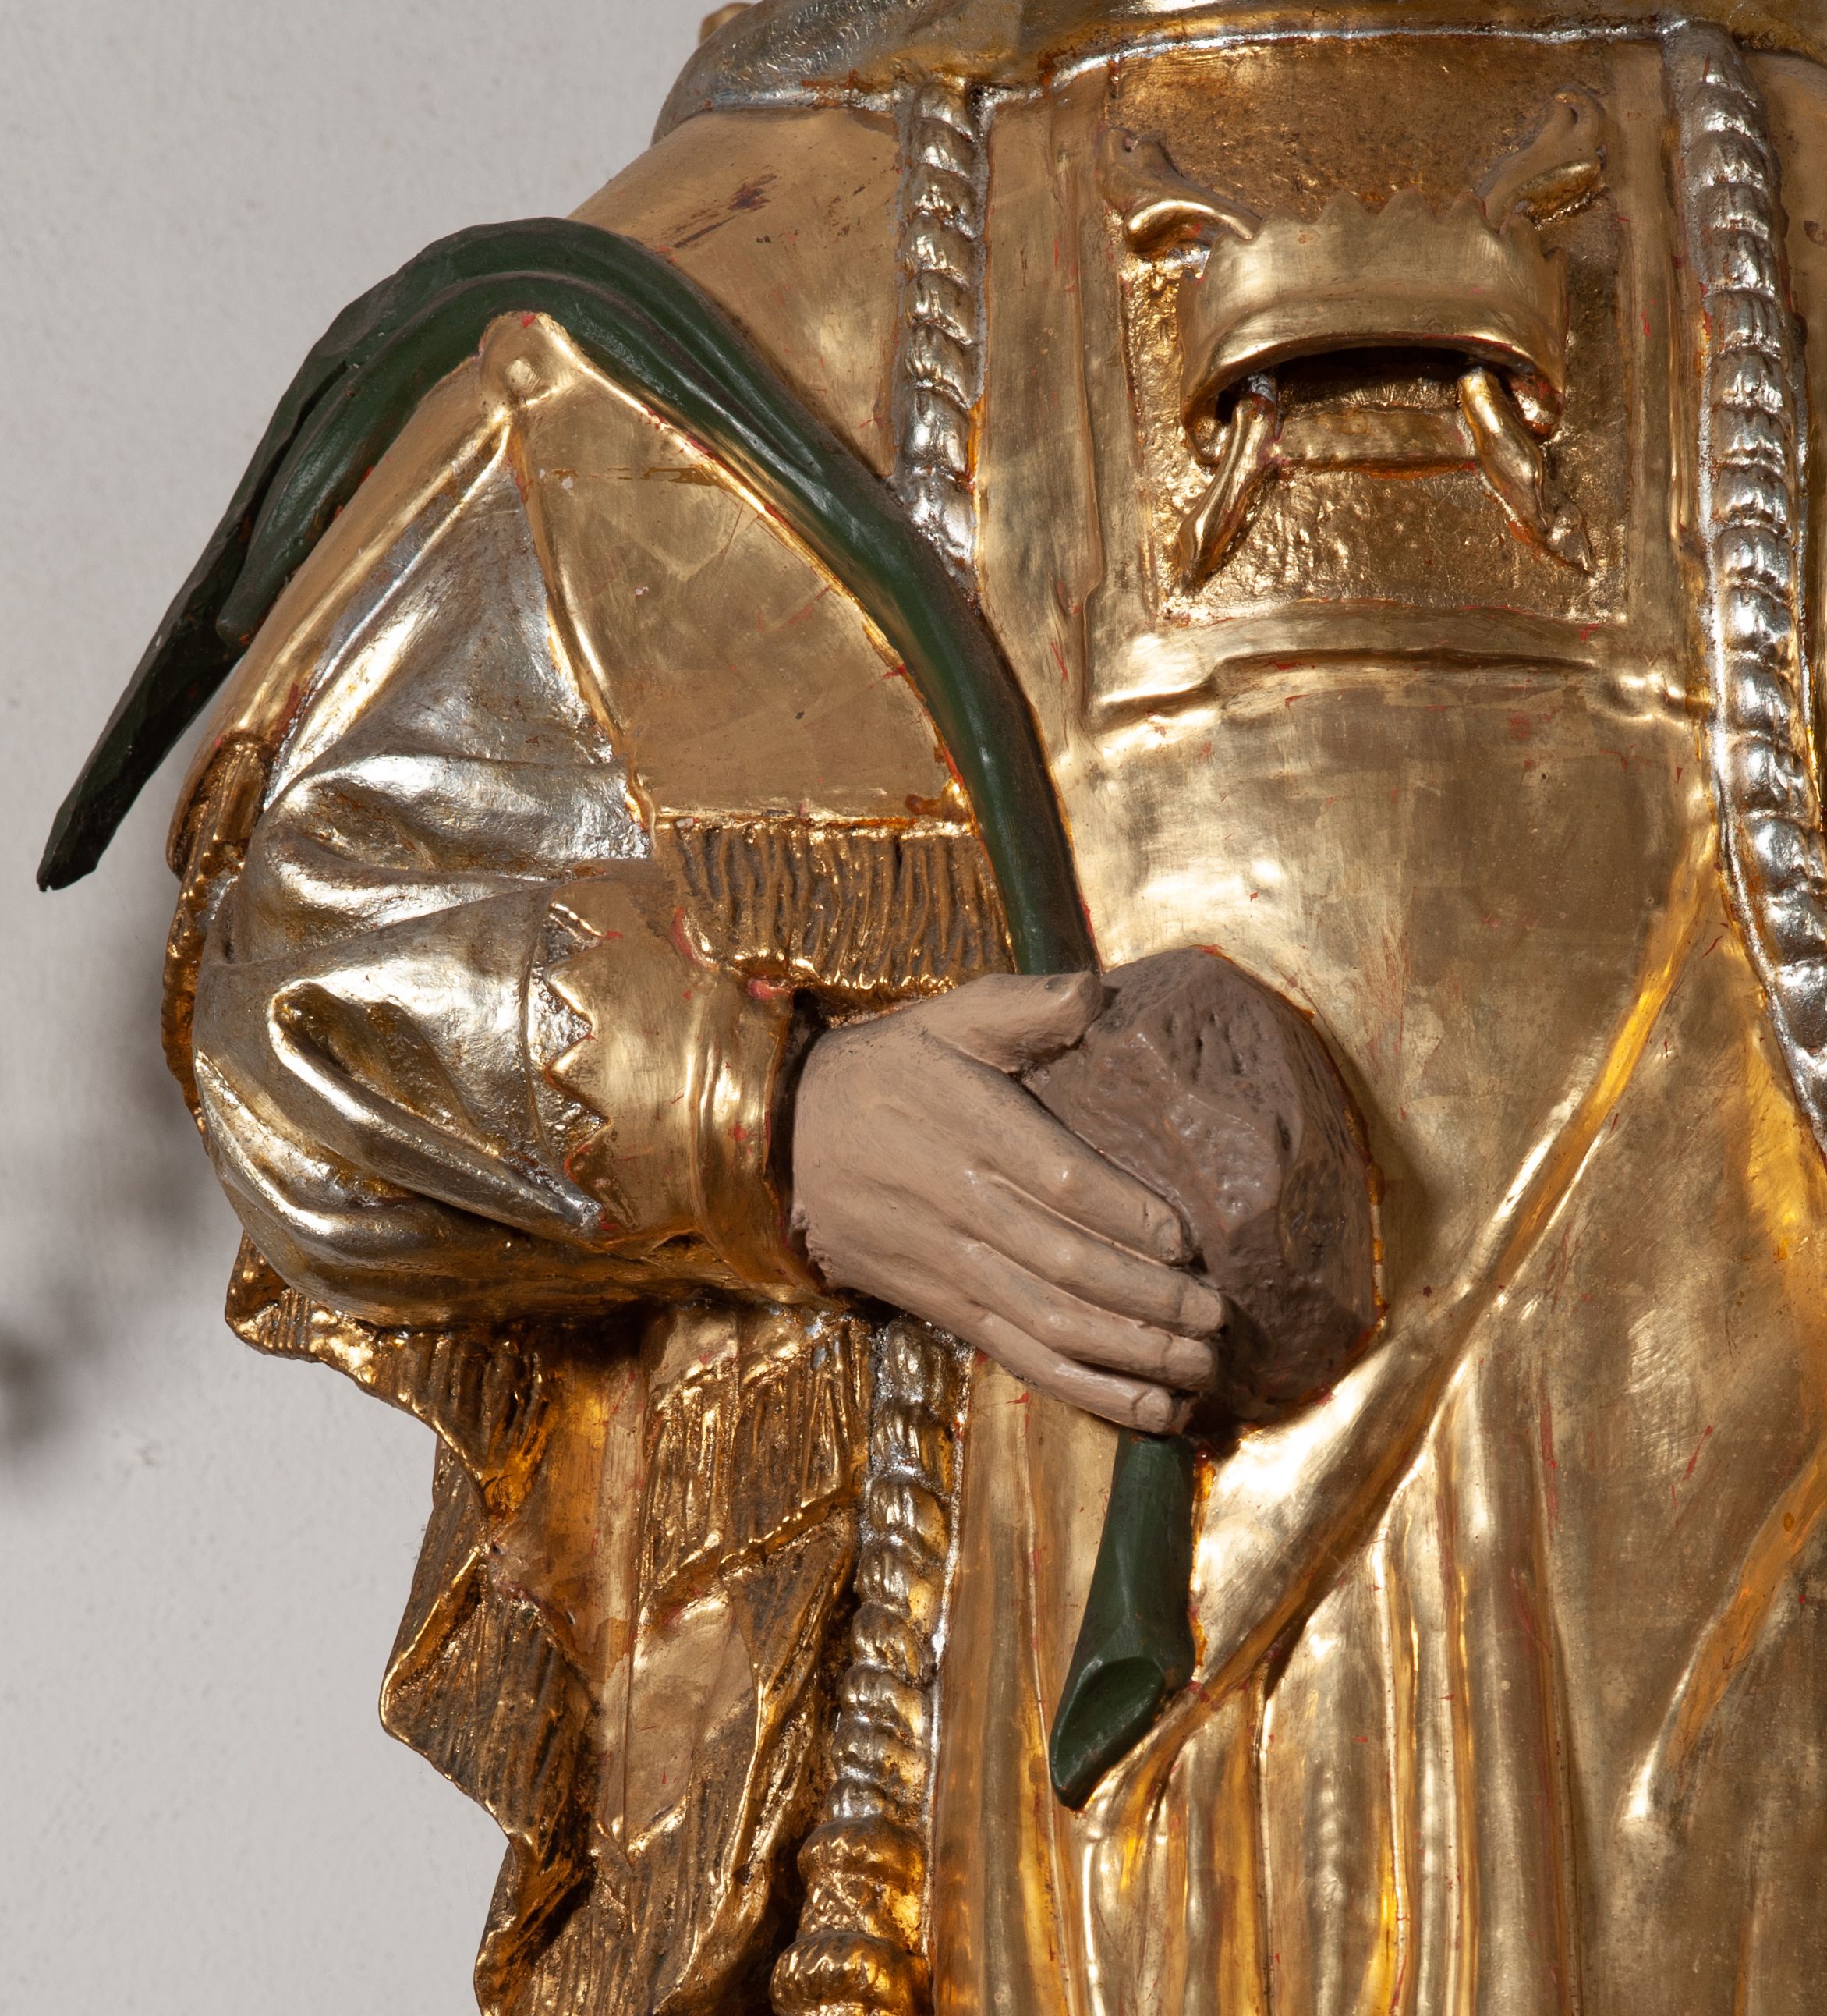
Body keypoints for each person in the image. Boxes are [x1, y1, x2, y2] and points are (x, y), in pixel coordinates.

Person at [53, 2, 1827, 2007]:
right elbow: (310, 957)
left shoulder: (1773, 207)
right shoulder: (809, 238)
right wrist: (771, 1119)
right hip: (1057, 1822)